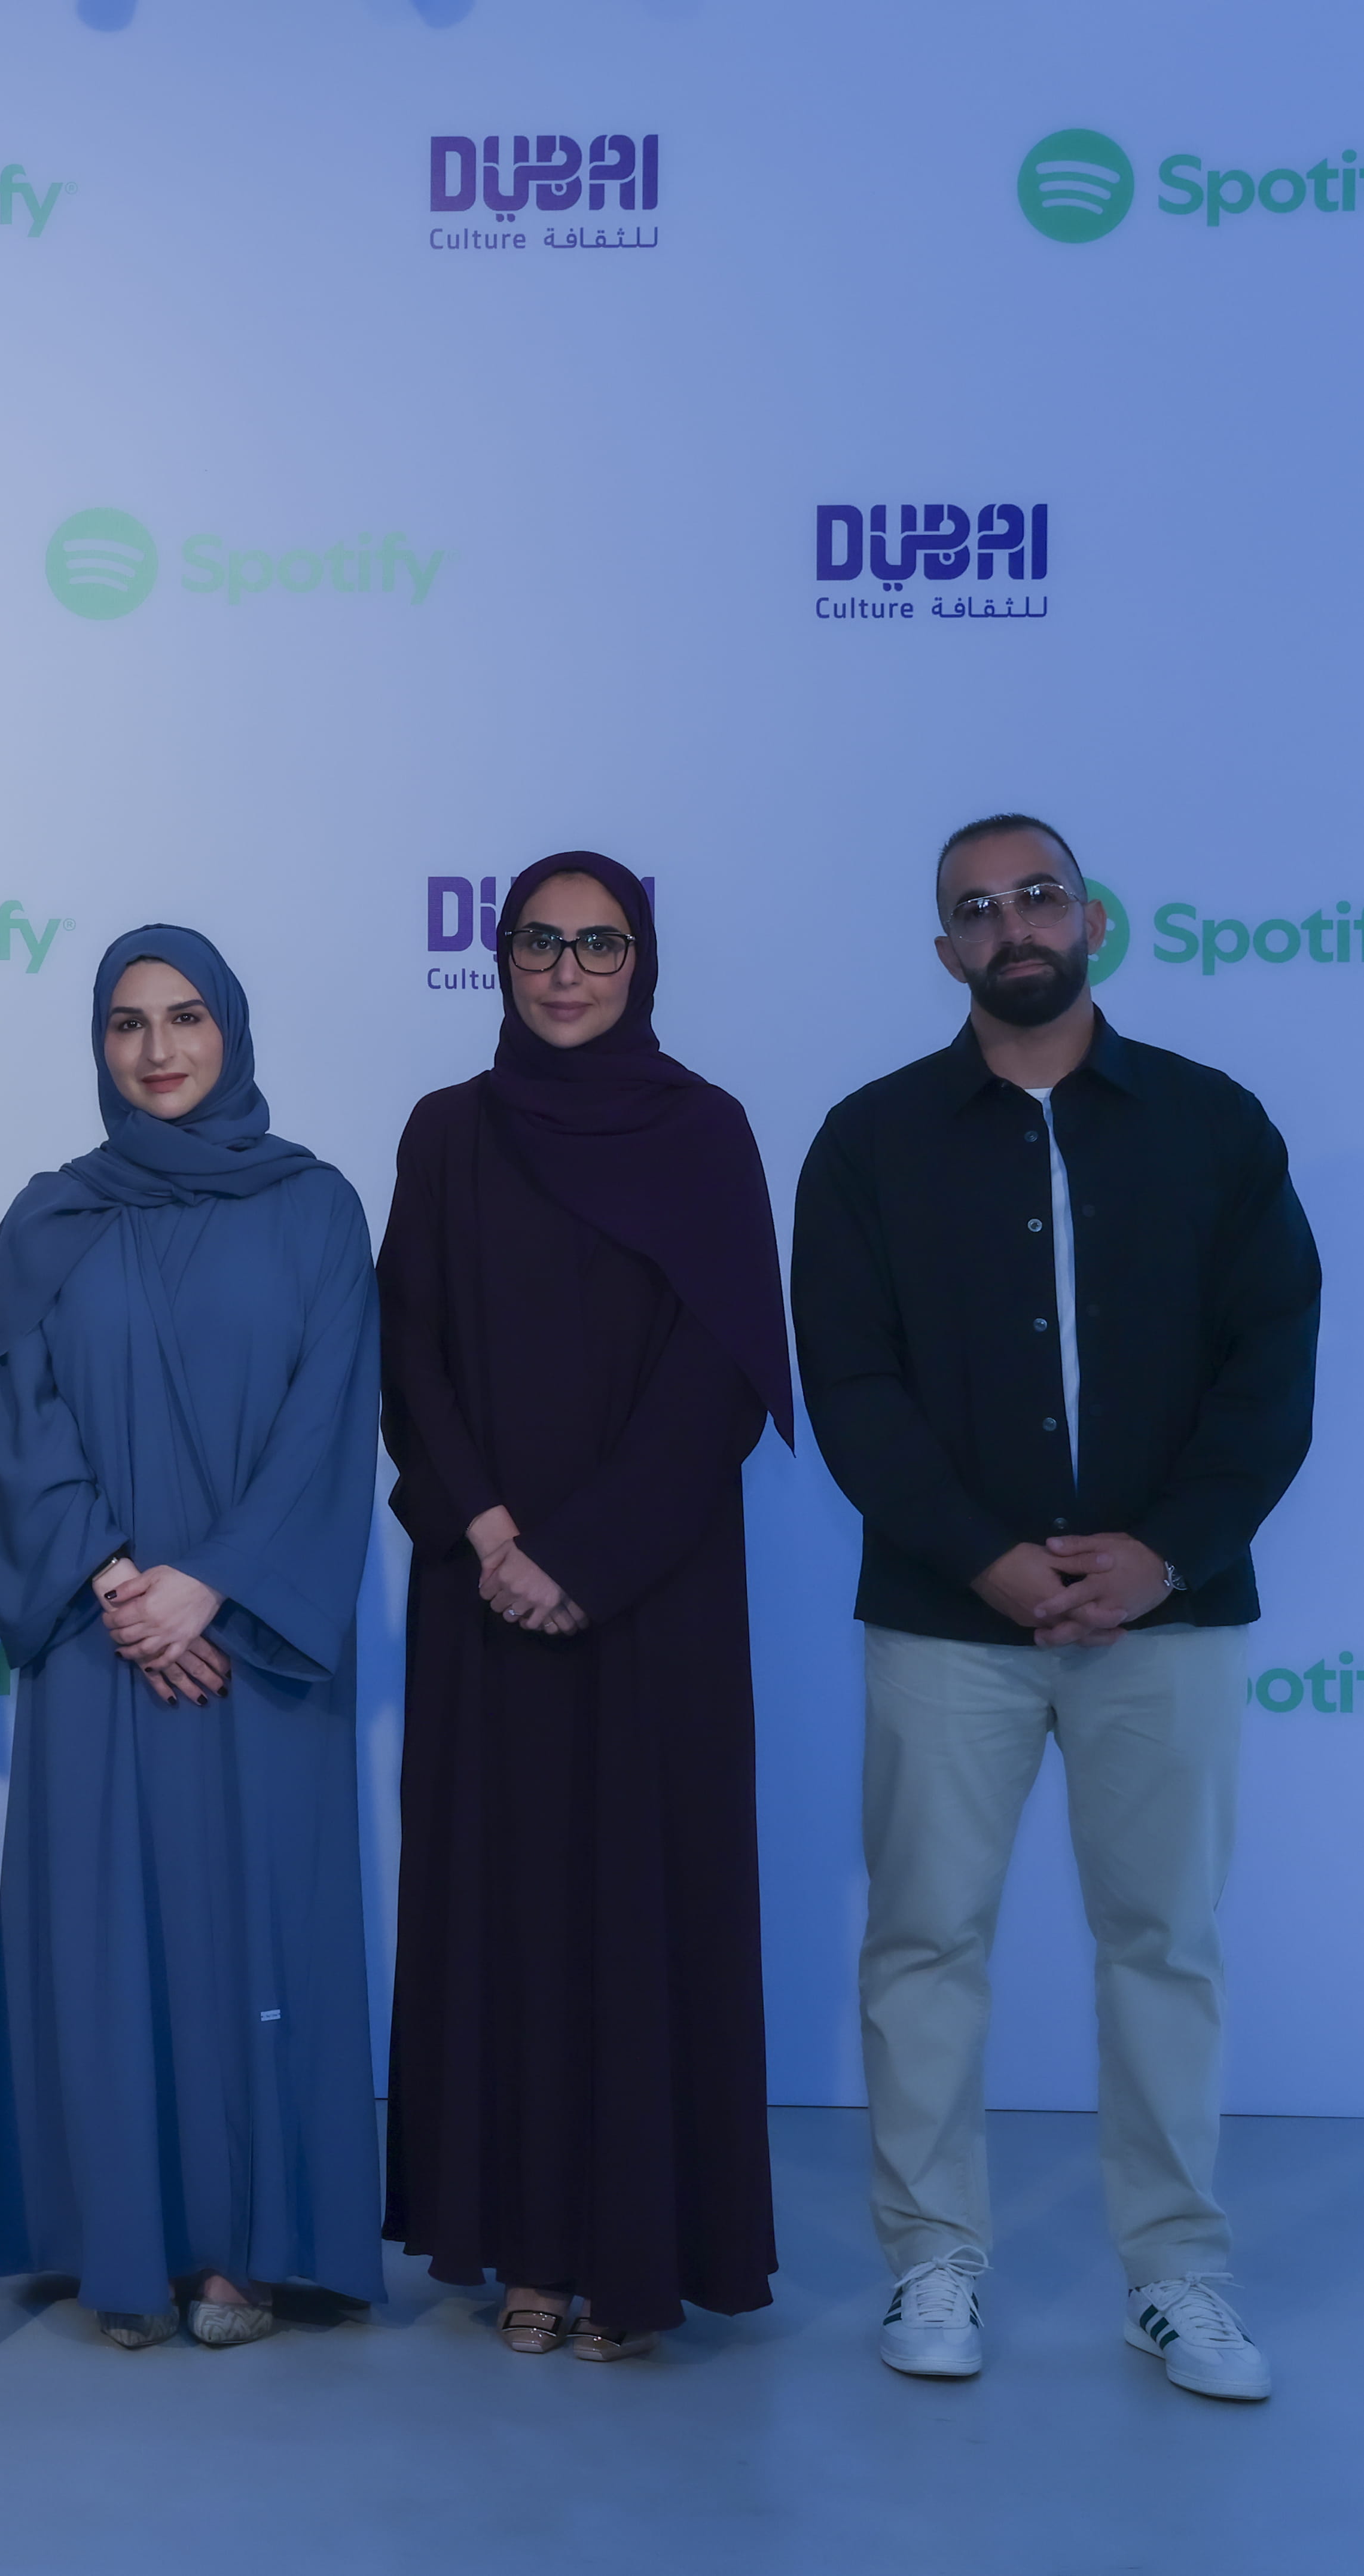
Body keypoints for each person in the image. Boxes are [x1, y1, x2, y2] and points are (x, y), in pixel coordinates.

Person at [795, 815, 1316, 2403]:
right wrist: (988, 1558)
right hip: (946, 1619)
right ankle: (932, 2255)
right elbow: (851, 1385)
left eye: (1036, 896)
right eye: (975, 908)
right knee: (923, 1941)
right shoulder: (869, 1140)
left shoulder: (1213, 1124)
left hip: (1171, 1615)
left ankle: (1176, 2272)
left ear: (1089, 917)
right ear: (943, 949)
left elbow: (1272, 1362)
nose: (1010, 924)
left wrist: (1163, 1552)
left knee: (1162, 1941)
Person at [378, 853, 789, 2364]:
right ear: (501, 960)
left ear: (641, 960)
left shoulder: (706, 1130)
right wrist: (493, 1532)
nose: (565, 971)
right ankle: (526, 2252)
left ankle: (637, 2264)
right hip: (481, 1596)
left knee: (639, 1911)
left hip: (650, 1601)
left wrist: (582, 1556)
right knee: (506, 1916)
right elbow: (408, 1350)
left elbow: (721, 1372)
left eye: (598, 944)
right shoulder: (448, 1130)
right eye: (540, 943)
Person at [0, 928, 383, 2352]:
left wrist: (210, 1586)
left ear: (232, 1031)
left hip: (253, 1644)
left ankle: (244, 2253)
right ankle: (120, 2248)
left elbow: (332, 1417)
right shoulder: (49, 1221)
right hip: (103, 1641)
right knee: (106, 1938)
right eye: (127, 1023)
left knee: (252, 1929)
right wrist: (115, 1580)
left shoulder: (316, 1208)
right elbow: (20, 1418)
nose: (157, 1050)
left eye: (186, 1017)